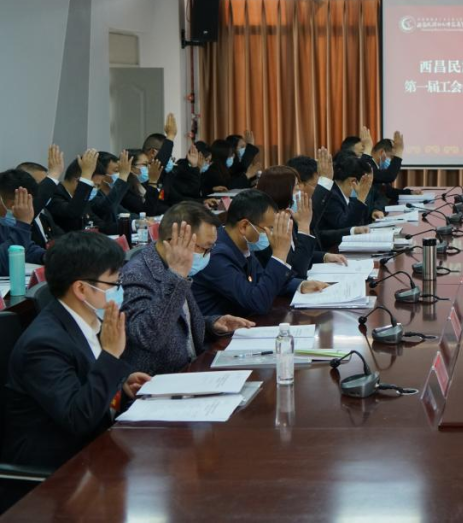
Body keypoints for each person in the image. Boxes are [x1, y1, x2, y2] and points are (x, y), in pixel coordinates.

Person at [2, 232, 152, 469]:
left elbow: (88, 381)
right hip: (57, 469)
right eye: (113, 284)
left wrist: (120, 384)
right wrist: (111, 356)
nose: (119, 290)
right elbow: (78, 418)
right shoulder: (42, 345)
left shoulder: (92, 320)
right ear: (81, 289)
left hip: (96, 449)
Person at [121, 202, 256, 376]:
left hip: (192, 369)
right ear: (176, 240)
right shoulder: (136, 274)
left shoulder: (175, 266)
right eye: (204, 248)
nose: (208, 255)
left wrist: (213, 324)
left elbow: (178, 323)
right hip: (161, 379)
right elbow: (148, 337)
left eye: (211, 248)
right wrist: (176, 275)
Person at [192, 189, 329, 319]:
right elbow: (258, 302)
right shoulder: (215, 255)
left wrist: (301, 285)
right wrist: (279, 254)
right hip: (218, 333)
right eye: (269, 228)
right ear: (244, 226)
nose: (272, 234)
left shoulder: (242, 244)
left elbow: (262, 279)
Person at [255, 165, 348, 278]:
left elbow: (297, 254)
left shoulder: (289, 217)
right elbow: (297, 271)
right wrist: (304, 226)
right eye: (296, 188)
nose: (301, 192)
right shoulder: (267, 230)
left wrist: (324, 256)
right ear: (281, 192)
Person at [319, 154, 375, 250]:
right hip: (331, 251)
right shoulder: (331, 196)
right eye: (366, 183)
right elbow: (345, 226)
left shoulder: (346, 195)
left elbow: (361, 222)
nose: (368, 188)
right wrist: (361, 198)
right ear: (353, 181)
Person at [47, 150, 105, 233]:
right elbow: (72, 212)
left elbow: (99, 224)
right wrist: (86, 175)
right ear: (78, 181)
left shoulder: (81, 197)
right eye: (93, 185)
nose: (95, 189)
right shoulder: (55, 194)